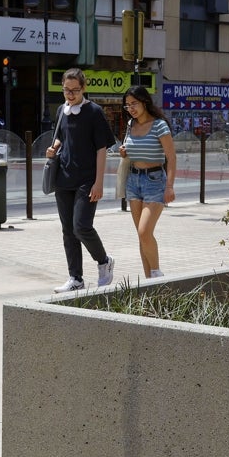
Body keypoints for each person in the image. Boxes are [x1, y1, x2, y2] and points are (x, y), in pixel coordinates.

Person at [46, 68, 116, 293]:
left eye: (75, 90)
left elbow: (102, 148)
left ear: (83, 88)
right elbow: (60, 137)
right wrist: (54, 147)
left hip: (87, 179)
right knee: (68, 231)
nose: (70, 94)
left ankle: (104, 261)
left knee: (81, 226)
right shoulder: (61, 110)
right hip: (63, 178)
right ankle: (75, 278)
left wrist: (99, 182)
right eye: (66, 89)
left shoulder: (94, 112)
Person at [118, 85, 176, 278]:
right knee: (141, 237)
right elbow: (130, 150)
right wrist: (125, 152)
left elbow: (171, 156)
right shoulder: (130, 125)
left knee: (144, 232)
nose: (131, 108)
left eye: (134, 103)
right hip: (133, 180)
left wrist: (169, 186)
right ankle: (148, 281)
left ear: (145, 102)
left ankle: (157, 274)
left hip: (155, 181)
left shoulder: (159, 125)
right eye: (127, 105)